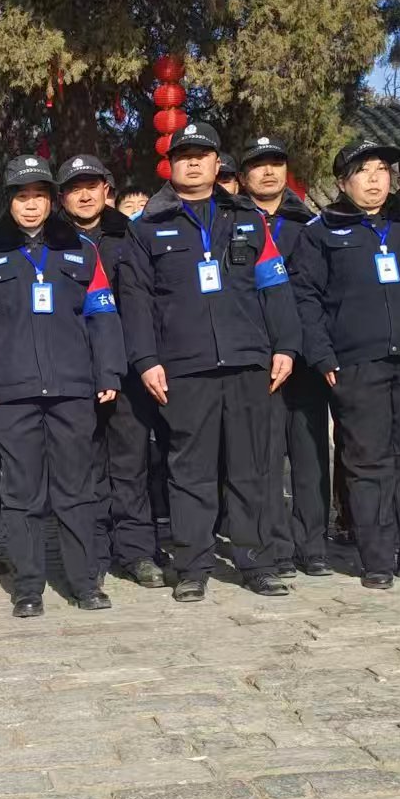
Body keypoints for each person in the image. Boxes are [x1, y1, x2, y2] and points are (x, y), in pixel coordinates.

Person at [120, 120, 301, 601]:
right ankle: (193, 565)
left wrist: (285, 346)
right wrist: (146, 359)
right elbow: (135, 301)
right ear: (170, 165)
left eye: (202, 155)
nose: (194, 163)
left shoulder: (247, 218)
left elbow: (275, 285)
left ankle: (256, 561)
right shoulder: (146, 228)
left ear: (217, 163)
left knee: (250, 468)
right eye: (184, 156)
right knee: (190, 472)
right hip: (184, 367)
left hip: (247, 362)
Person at [293, 140, 400, 589]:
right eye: (362, 171)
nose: (374, 179)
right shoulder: (320, 232)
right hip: (356, 362)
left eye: (381, 170)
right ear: (343, 182)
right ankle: (376, 559)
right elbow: (305, 298)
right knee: (366, 460)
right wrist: (322, 354)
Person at [0, 156, 123, 615]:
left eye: (39, 196)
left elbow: (102, 314)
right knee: (21, 494)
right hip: (11, 391)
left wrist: (108, 371)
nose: (31, 205)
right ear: (8, 200)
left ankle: (85, 583)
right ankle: (28, 587)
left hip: (73, 389)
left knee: (77, 490)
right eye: (21, 196)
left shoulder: (81, 250)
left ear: (52, 200)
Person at [58, 153, 166, 588]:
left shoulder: (133, 234)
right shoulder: (50, 239)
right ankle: (94, 550)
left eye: (92, 186)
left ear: (107, 190)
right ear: (62, 197)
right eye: (74, 188)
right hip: (72, 369)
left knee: (130, 463)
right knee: (84, 466)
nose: (84, 196)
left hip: (126, 367)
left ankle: (136, 550)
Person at [230, 136, 331, 578]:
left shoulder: (308, 224)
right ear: (243, 176)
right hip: (256, 354)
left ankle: (313, 545)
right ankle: (275, 545)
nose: (268, 172)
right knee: (263, 457)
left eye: (276, 163)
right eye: (258, 165)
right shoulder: (230, 223)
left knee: (310, 455)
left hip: (305, 355)